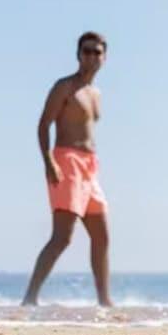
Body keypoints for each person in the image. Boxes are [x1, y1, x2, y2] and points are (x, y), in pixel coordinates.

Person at [21, 31, 113, 307]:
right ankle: (30, 298)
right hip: (66, 161)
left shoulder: (96, 93)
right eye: (87, 51)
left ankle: (104, 301)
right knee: (62, 237)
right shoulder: (64, 87)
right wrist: (49, 162)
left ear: (104, 57)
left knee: (101, 235)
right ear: (78, 55)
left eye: (97, 52)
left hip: (90, 167)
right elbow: (43, 125)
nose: (92, 57)